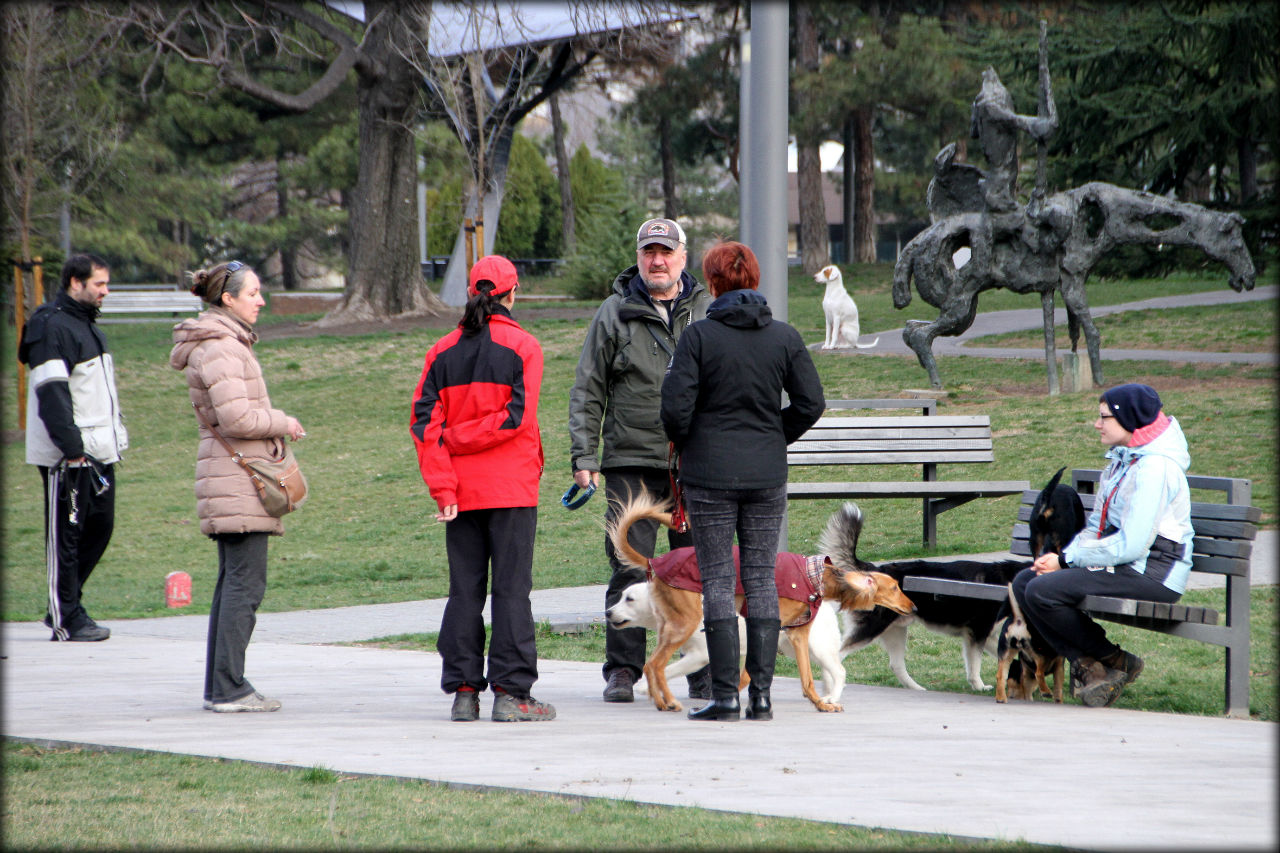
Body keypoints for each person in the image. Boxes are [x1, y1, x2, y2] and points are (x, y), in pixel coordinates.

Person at [660, 241, 825, 721]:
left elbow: (674, 410)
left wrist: (692, 443)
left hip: (709, 476)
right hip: (766, 474)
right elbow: (811, 403)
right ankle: (764, 698)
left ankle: (726, 697)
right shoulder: (785, 337)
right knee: (759, 578)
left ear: (712, 283)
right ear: (754, 280)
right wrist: (775, 436)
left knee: (716, 579)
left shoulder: (697, 338)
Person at [568, 218, 713, 704]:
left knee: (694, 568)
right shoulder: (615, 312)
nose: (657, 260)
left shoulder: (707, 309)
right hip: (631, 461)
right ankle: (623, 670)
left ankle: (697, 668)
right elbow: (588, 389)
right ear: (639, 256)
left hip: (694, 463)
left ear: (682, 258)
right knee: (630, 566)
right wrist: (584, 456)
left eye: (665, 252)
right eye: (649, 251)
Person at [411, 255, 554, 723]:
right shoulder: (524, 347)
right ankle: (512, 695)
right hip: (511, 489)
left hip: (461, 493)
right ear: (513, 294)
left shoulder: (440, 351)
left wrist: (444, 488)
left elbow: (424, 427)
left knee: (464, 592)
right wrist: (463, 437)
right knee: (512, 592)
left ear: (471, 293)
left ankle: (465, 693)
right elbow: (517, 418)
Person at [170, 260, 305, 712]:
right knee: (245, 586)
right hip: (237, 479)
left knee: (234, 584)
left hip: (230, 476)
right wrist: (284, 422)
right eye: (253, 294)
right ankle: (230, 689)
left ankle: (221, 687)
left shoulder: (220, 342)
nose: (261, 301)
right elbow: (237, 418)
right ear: (228, 299)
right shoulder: (222, 348)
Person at [1011, 384, 1194, 708]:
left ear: (1130, 419)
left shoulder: (1154, 468)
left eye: (1104, 417)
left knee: (1042, 591)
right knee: (1027, 581)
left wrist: (1067, 561)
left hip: (1152, 574)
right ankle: (1092, 668)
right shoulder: (1122, 461)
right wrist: (1059, 557)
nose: (1097, 424)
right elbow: (1096, 527)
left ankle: (1115, 660)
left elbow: (1133, 545)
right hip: (1125, 565)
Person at [20, 253, 128, 642]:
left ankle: (65, 604)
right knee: (67, 535)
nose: (105, 291)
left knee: (100, 526)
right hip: (69, 456)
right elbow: (51, 393)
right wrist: (72, 448)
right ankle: (66, 616)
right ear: (74, 283)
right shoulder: (49, 327)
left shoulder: (85, 325)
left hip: (98, 452)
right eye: (99, 284)